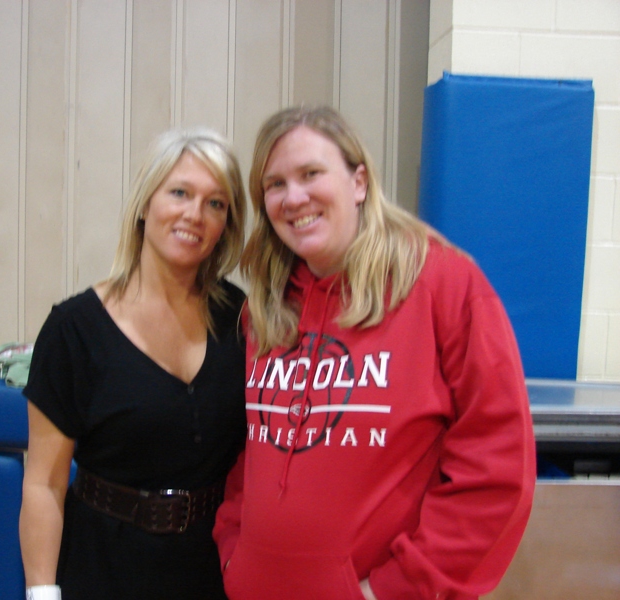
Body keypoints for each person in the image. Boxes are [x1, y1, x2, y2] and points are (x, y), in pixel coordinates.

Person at [212, 106, 536, 600]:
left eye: (311, 174)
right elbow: (252, 451)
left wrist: (393, 589)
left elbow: (497, 470)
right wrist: (236, 551)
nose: (293, 197)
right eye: (275, 184)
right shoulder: (267, 308)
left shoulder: (444, 285)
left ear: (359, 182)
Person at [20, 126, 248, 600]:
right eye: (179, 193)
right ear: (145, 204)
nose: (195, 214)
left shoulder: (241, 319)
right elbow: (44, 484)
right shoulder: (74, 329)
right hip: (103, 568)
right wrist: (42, 593)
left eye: (215, 203)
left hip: (212, 571)